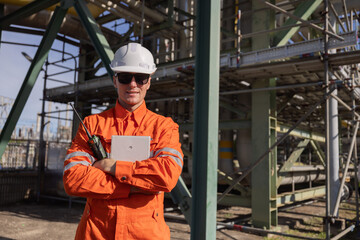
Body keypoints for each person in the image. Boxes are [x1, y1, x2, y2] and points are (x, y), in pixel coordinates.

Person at [63, 42, 183, 240]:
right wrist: (134, 186)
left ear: (149, 82)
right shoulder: (92, 125)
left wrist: (113, 166)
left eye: (141, 78)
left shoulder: (164, 127)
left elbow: (166, 176)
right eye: (126, 77)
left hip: (145, 234)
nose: (133, 84)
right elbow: (73, 179)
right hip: (96, 234)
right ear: (115, 80)